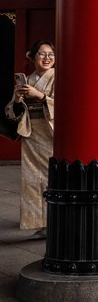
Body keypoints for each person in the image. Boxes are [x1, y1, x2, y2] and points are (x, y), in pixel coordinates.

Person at [5, 40, 55, 239]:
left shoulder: (58, 77)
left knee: (51, 177)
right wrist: (17, 100)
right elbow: (12, 113)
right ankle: (40, 223)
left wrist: (41, 96)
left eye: (51, 54)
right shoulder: (29, 79)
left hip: (51, 133)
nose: (47, 58)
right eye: (42, 54)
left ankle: (54, 221)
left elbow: (68, 105)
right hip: (31, 134)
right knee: (33, 180)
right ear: (33, 57)